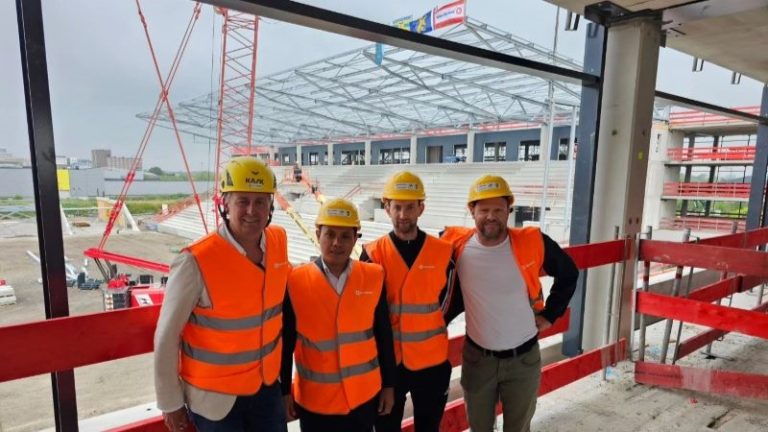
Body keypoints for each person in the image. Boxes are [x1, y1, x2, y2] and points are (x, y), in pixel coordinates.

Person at [154, 156, 290, 432]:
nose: (252, 210)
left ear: (270, 206)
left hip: (266, 389)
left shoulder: (278, 242)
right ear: (225, 204)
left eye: (260, 201)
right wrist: (171, 402)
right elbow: (166, 336)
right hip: (215, 402)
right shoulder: (195, 260)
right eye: (242, 201)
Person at [442, 174, 578, 432]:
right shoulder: (455, 245)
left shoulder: (533, 241)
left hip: (523, 360)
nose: (491, 216)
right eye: (484, 210)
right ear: (472, 211)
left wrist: (550, 315)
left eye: (498, 210)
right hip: (478, 360)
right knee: (479, 427)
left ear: (508, 211)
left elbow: (569, 273)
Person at [281, 198, 396, 432]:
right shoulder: (295, 281)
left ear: (355, 238)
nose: (336, 243)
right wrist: (284, 392)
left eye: (345, 236)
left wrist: (389, 385)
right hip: (315, 402)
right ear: (318, 234)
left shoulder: (374, 277)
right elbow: (286, 344)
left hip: (363, 398)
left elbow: (384, 336)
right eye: (330, 234)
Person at [360, 171, 454, 432]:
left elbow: (450, 302)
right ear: (387, 208)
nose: (403, 214)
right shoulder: (372, 254)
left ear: (421, 208)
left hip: (432, 364)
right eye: (397, 207)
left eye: (410, 207)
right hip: (388, 365)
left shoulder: (443, 252)